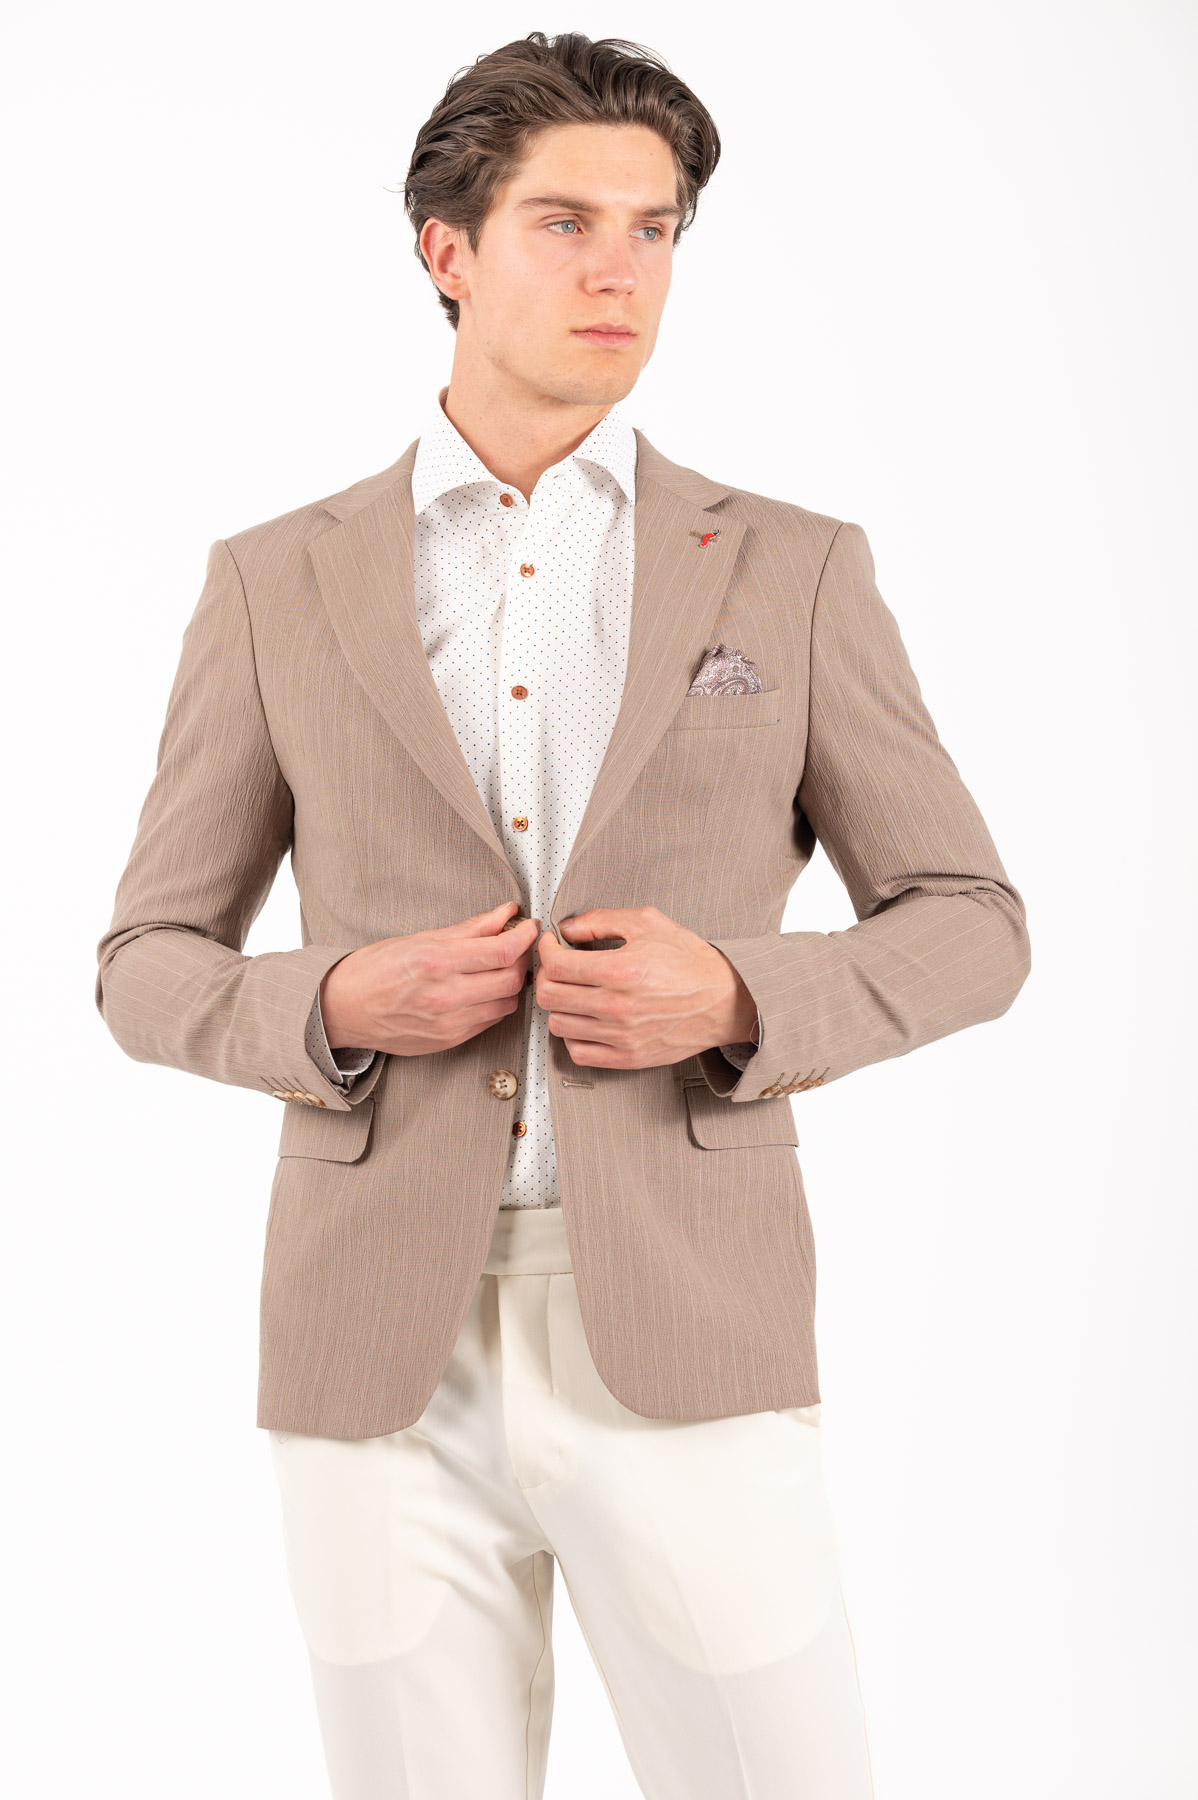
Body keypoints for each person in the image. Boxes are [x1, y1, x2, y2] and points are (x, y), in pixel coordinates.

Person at [95, 30, 1030, 1800]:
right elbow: (146, 962)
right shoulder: (275, 581)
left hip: (687, 1318)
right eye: (566, 223)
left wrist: (738, 995)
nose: (620, 271)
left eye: (653, 230)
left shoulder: (790, 567)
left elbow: (969, 918)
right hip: (375, 1346)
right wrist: (333, 1004)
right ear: (444, 250)